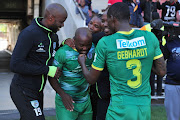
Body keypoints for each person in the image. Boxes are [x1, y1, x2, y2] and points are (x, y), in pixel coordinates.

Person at [78, 2, 166, 120]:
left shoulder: (106, 43)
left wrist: (82, 63)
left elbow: (91, 79)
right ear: (129, 18)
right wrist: (141, 57)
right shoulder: (149, 37)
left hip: (119, 109)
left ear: (112, 19)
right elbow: (161, 72)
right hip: (143, 107)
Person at [9, 3, 67, 120]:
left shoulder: (54, 37)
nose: (62, 25)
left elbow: (51, 56)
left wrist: (63, 46)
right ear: (51, 18)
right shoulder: (29, 33)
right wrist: (47, 70)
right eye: (61, 21)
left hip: (38, 91)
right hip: (22, 89)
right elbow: (15, 65)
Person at [48, 27, 95, 120]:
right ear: (74, 41)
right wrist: (62, 94)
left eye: (88, 45)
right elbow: (51, 76)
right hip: (66, 101)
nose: (85, 48)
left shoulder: (93, 49)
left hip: (85, 101)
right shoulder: (63, 52)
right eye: (81, 45)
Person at [140, 12, 164, 96]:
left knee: (151, 72)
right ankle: (159, 91)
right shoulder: (163, 27)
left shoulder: (146, 27)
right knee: (160, 71)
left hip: (149, 51)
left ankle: (152, 91)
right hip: (160, 51)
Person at [162, 25, 180, 120]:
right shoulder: (171, 42)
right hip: (172, 84)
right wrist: (161, 40)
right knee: (173, 117)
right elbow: (161, 57)